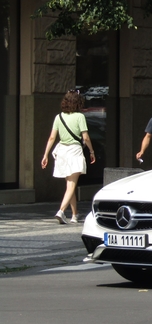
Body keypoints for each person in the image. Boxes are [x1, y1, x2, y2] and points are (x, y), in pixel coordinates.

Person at [41, 90, 96, 224]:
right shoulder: (79, 117)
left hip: (62, 152)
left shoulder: (58, 117)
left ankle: (74, 215)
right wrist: (92, 151)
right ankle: (61, 211)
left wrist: (45, 155)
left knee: (69, 184)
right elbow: (86, 137)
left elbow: (52, 137)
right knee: (71, 185)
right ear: (78, 103)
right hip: (74, 151)